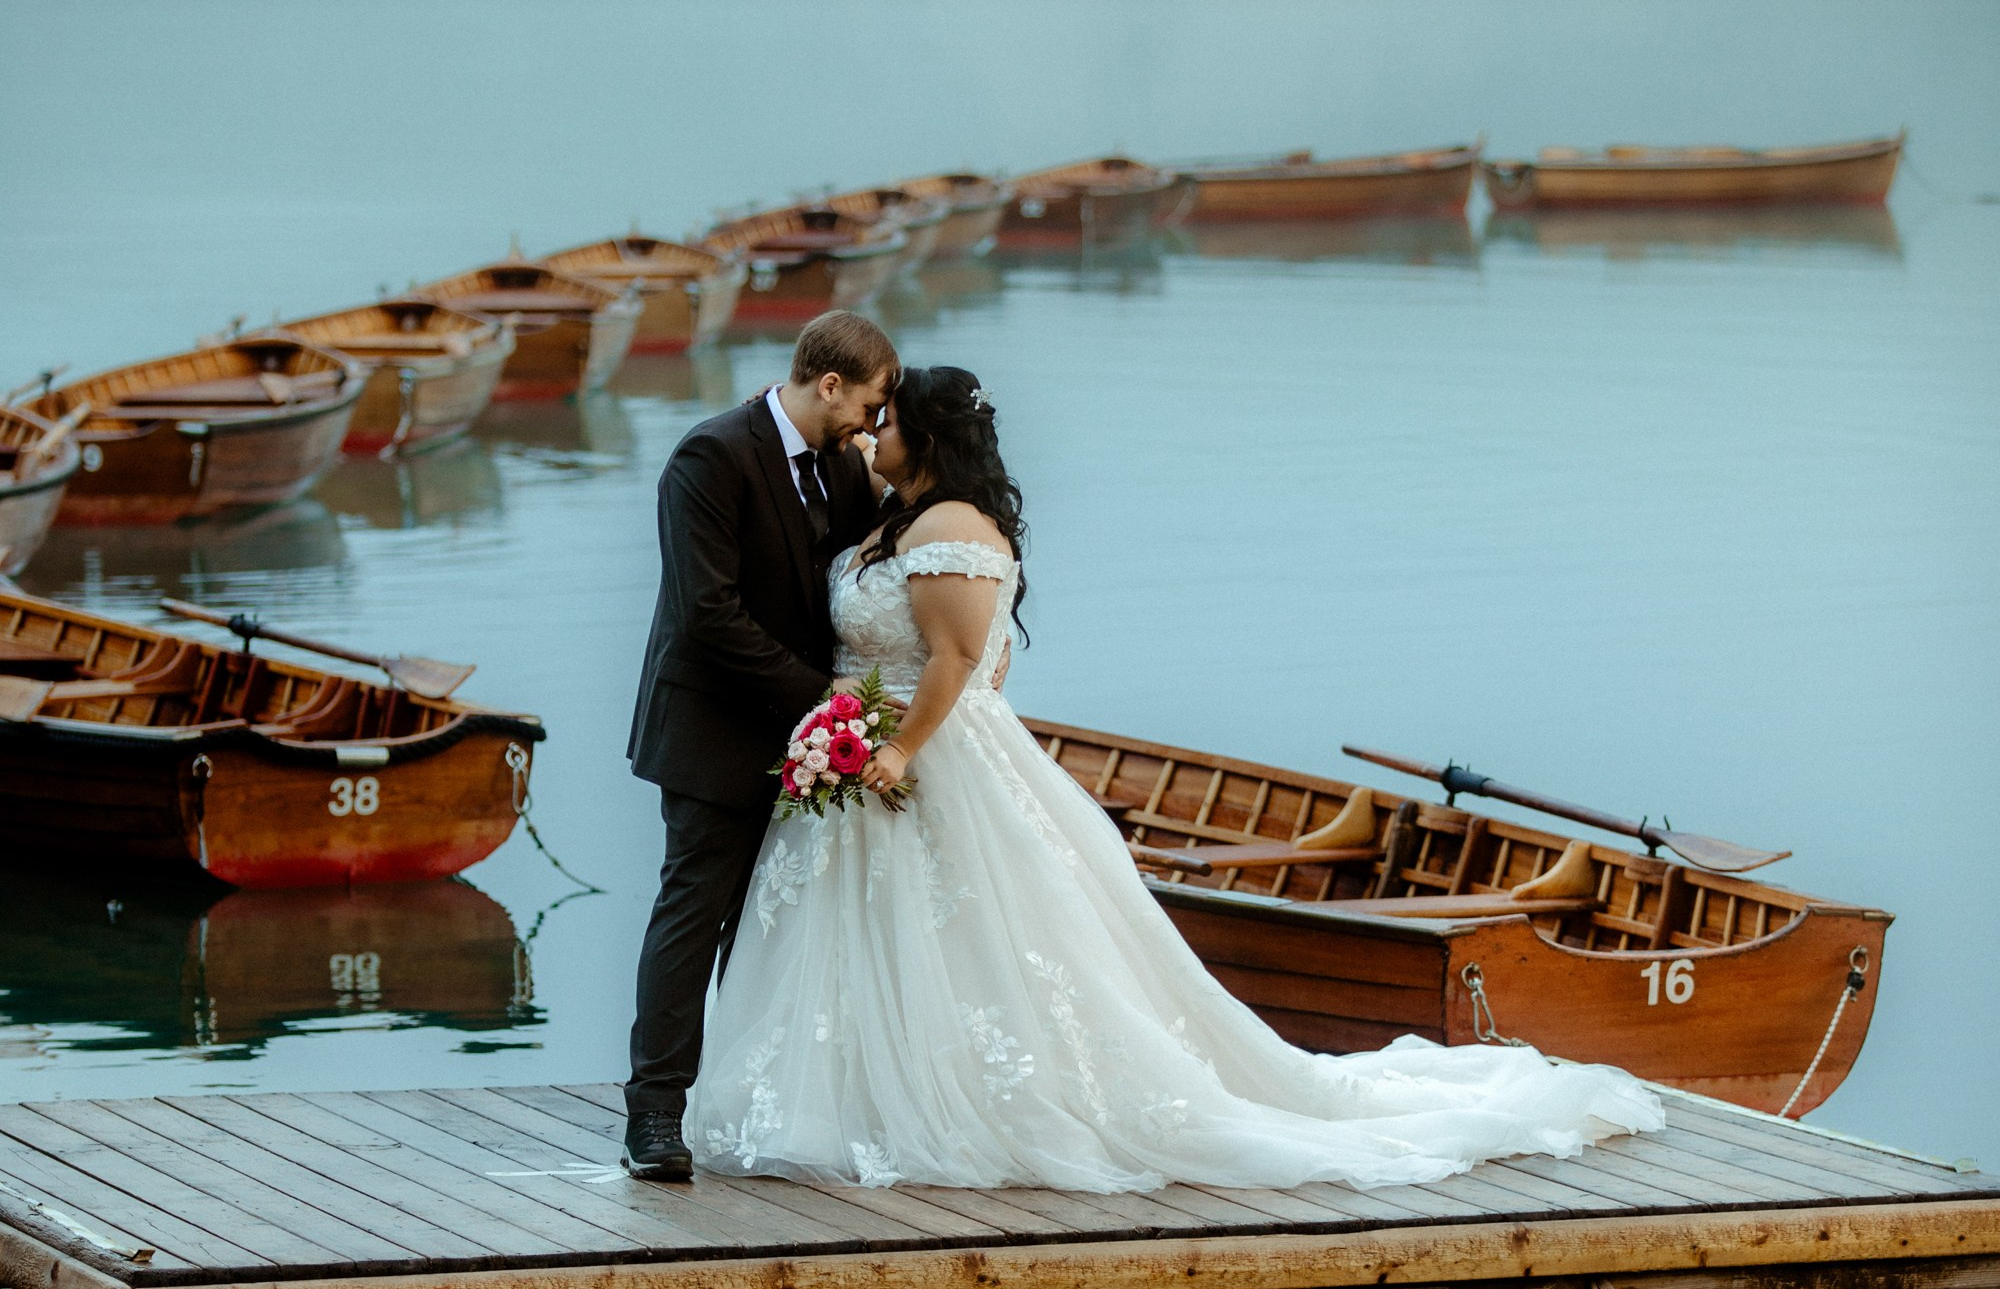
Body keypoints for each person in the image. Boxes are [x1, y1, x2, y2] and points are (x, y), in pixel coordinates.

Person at [686, 364, 1664, 1192]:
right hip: (866, 747)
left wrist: (894, 747)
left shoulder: (950, 527)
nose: (868, 430)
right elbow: (981, 661)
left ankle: (948, 1100)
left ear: (925, 433)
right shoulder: (899, 520)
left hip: (927, 759)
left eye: (885, 419)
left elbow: (954, 663)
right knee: (862, 933)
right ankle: (850, 1092)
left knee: (961, 938)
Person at [623, 309, 897, 1179]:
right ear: (829, 386)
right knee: (692, 918)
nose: (872, 425)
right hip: (712, 731)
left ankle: (747, 1107)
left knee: (774, 923)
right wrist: (823, 700)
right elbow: (707, 615)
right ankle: (655, 1117)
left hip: (813, 746)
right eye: (869, 405)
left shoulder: (841, 469)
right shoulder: (710, 456)